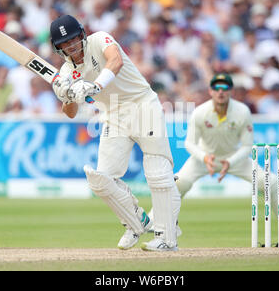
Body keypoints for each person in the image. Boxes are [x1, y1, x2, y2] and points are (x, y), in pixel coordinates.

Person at [49, 15, 181, 251]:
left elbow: (116, 61)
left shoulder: (100, 39)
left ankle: (167, 238)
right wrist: (66, 95)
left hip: (142, 104)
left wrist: (95, 86)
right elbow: (69, 113)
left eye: (73, 39)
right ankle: (136, 222)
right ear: (58, 48)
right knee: (102, 180)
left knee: (158, 172)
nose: (71, 46)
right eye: (64, 44)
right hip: (112, 115)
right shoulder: (66, 71)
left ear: (82, 35)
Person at [175, 73, 279, 234]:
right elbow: (189, 143)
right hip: (204, 158)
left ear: (231, 91)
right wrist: (204, 157)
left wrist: (231, 161)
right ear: (210, 91)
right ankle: (157, 222)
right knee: (178, 183)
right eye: (216, 88)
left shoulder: (242, 111)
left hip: (234, 158)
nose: (220, 92)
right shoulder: (200, 112)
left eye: (225, 88)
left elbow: (247, 146)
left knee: (269, 181)